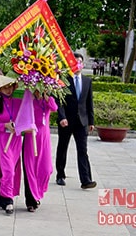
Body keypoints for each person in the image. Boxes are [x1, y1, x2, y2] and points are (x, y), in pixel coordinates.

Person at [55, 52, 97, 189]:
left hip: (82, 122)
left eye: (79, 62)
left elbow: (89, 102)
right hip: (66, 120)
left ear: (82, 64)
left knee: (83, 150)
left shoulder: (87, 81)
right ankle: (60, 174)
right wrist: (61, 117)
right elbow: (59, 101)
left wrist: (91, 121)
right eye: (74, 62)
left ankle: (86, 180)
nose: (77, 65)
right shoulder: (63, 80)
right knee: (62, 148)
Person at [0, 75, 21, 214]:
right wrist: (4, 125)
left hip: (16, 140)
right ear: (0, 90)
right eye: (4, 88)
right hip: (3, 141)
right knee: (8, 171)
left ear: (14, 87)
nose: (7, 90)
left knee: (13, 170)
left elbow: (27, 117)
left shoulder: (19, 102)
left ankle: (3, 196)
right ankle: (8, 200)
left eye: (9, 86)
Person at [22, 91, 57, 212]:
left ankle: (38, 191)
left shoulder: (47, 100)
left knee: (46, 169)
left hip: (44, 137)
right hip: (31, 137)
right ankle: (31, 200)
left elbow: (54, 107)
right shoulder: (29, 100)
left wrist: (46, 96)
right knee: (30, 168)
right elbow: (22, 116)